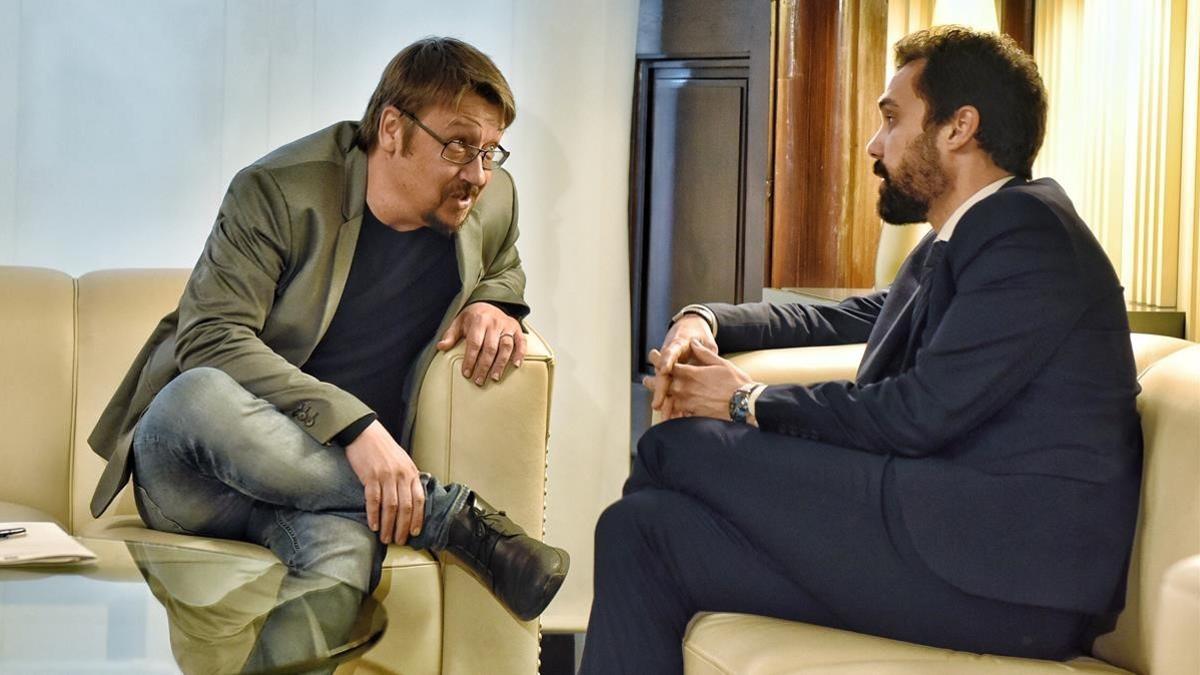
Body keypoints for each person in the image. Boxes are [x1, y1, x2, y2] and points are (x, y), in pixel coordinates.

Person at [581, 26, 1141, 673]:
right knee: (640, 531)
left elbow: (916, 413)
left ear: (959, 127)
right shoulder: (962, 238)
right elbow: (844, 316)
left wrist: (742, 400)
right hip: (940, 539)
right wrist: (705, 318)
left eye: (892, 119)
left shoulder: (1028, 233)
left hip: (1005, 574)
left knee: (676, 447)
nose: (875, 145)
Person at [87, 37, 569, 623]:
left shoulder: (489, 202)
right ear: (393, 128)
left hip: (336, 500)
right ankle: (452, 519)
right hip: (203, 474)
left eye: (492, 151)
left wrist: (497, 302)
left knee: (339, 574)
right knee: (195, 396)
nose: (478, 173)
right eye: (460, 145)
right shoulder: (278, 192)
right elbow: (211, 337)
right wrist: (355, 428)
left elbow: (503, 266)